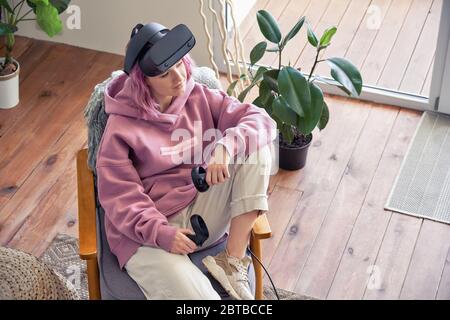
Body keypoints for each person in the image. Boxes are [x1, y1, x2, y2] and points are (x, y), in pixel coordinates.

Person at [95, 22, 277, 300]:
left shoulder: (198, 95)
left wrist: (225, 146)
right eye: (165, 74)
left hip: (199, 205)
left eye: (180, 64)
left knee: (254, 146)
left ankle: (232, 261)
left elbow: (261, 120)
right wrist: (162, 233)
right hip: (146, 235)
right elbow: (121, 198)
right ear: (143, 82)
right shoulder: (120, 127)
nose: (179, 77)